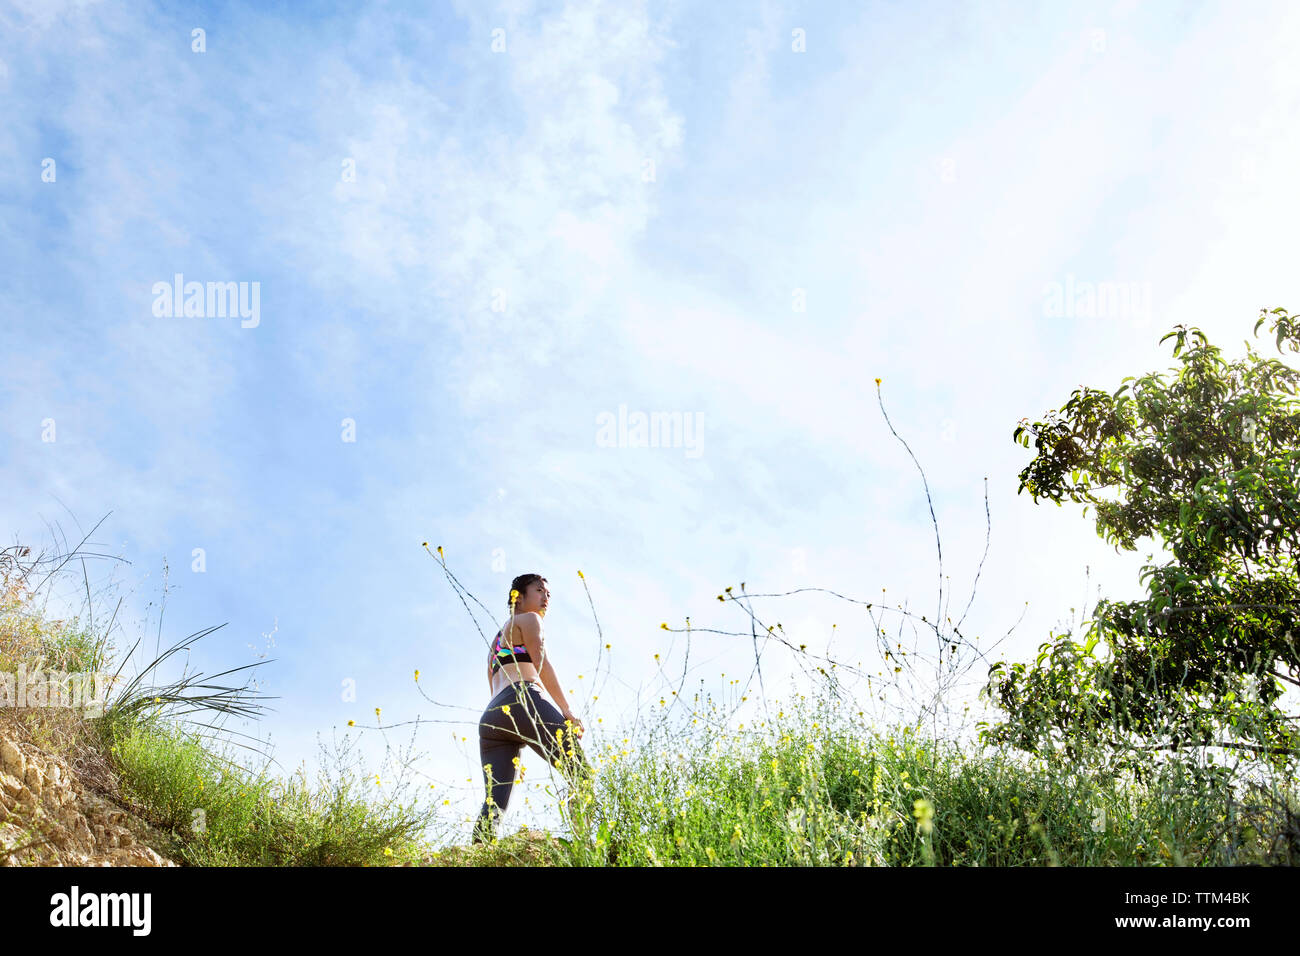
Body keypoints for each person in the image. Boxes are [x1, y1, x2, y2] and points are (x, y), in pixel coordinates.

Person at [472, 573, 595, 844]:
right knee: (582, 775)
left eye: (549, 594)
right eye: (539, 591)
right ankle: (583, 849)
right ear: (518, 596)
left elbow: (495, 687)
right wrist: (567, 711)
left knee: (495, 802)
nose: (546, 598)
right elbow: (541, 664)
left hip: (493, 719)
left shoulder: (495, 644)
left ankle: (475, 857)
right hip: (523, 699)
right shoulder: (529, 620)